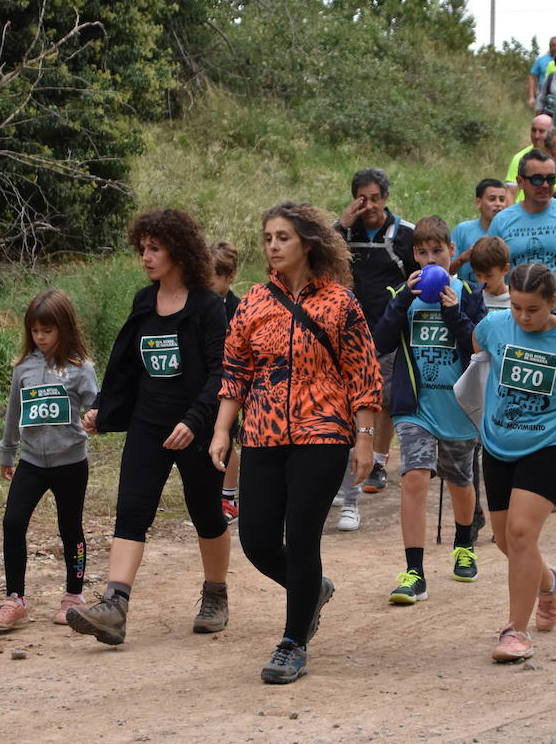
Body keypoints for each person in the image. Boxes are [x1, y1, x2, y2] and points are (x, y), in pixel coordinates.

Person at [210, 202, 382, 684]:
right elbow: (235, 370)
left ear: (308, 242)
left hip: (322, 432)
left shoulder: (340, 303)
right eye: (267, 238)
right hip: (262, 432)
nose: (272, 246)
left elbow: (363, 374)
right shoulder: (254, 302)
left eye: (282, 237)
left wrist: (364, 440)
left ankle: (292, 642)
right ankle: (312, 590)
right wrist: (224, 429)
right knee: (257, 540)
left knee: (303, 536)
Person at [66, 210, 231, 645]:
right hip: (148, 425)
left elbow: (221, 373)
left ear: (178, 251)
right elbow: (124, 364)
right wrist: (103, 407)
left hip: (196, 429)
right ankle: (114, 606)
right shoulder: (144, 302)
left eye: (154, 248)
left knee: (206, 513)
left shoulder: (209, 308)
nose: (145, 256)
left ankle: (216, 594)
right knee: (132, 510)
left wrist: (195, 420)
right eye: (142, 248)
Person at [469, 263, 556, 662]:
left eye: (533, 309)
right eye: (516, 307)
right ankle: (549, 582)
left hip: (550, 444)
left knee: (522, 533)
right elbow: (480, 350)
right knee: (505, 540)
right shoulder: (494, 325)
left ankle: (516, 632)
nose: (523, 317)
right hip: (497, 443)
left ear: (553, 303)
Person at [373, 217, 488, 604]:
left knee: (460, 480)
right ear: (414, 256)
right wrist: (402, 299)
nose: (429, 259)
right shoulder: (401, 293)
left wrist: (455, 312)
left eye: (437, 251)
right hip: (415, 405)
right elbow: (381, 341)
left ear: (452, 252)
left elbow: (478, 346)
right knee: (415, 478)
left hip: (456, 405)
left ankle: (463, 543)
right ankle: (414, 572)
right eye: (422, 253)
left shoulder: (468, 291)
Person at [0, 290, 97, 631]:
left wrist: (96, 417)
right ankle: (14, 599)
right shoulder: (24, 368)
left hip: (71, 462)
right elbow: (14, 412)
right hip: (32, 461)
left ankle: (73, 595)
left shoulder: (80, 367)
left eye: (47, 331)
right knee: (13, 522)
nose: (40, 337)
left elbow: (96, 404)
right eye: (34, 331)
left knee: (70, 528)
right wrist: (7, 451)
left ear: (63, 328)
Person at [335, 168, 416, 508]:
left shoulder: (404, 234)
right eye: (362, 198)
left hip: (389, 328)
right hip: (347, 330)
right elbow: (317, 259)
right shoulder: (339, 232)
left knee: (382, 399)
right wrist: (340, 225)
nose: (368, 205)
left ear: (386, 197)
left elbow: (419, 274)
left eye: (375, 198)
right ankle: (344, 467)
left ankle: (379, 461)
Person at [487, 149, 556, 344]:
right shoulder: (502, 221)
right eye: (538, 180)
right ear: (520, 181)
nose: (546, 185)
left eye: (551, 179)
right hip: (517, 320)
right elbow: (491, 272)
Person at [210, 241, 243, 522]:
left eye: (214, 278)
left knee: (229, 438)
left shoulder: (237, 308)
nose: (208, 284)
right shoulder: (197, 305)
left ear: (229, 276)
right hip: (206, 383)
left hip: (232, 383)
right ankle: (211, 493)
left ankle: (228, 497)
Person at [450, 178, 510, 281]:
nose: (498, 204)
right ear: (478, 202)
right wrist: (462, 259)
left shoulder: (511, 232)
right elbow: (447, 270)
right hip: (467, 295)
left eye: (502, 199)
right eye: (492, 199)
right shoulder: (462, 231)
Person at [505, 115, 555, 202]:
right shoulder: (519, 157)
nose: (536, 135)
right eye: (534, 130)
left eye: (541, 131)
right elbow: (510, 193)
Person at [470, 235, 512, 310]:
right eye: (478, 275)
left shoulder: (516, 300)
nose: (482, 281)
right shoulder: (474, 299)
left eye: (489, 276)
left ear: (505, 269)